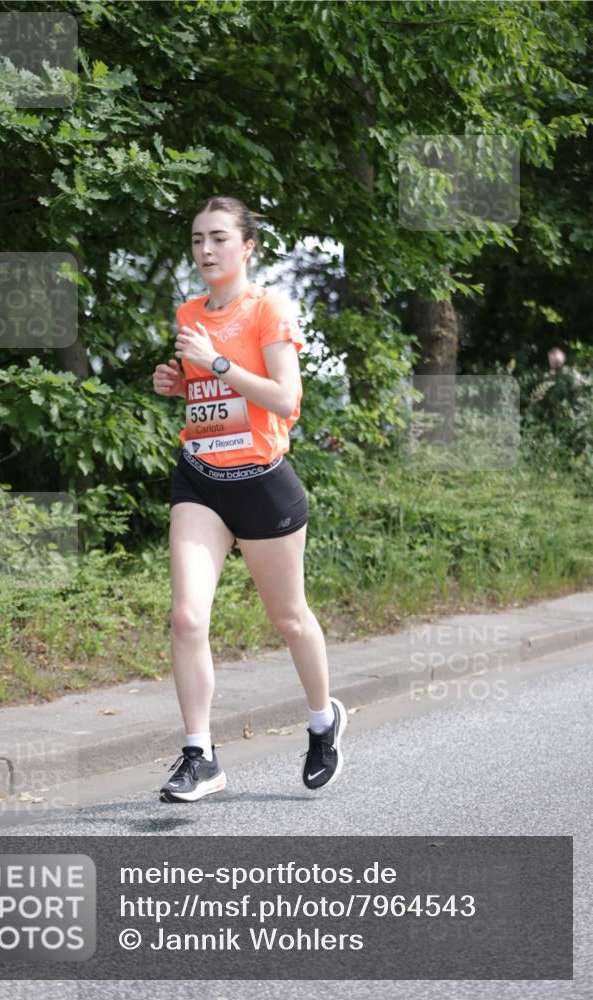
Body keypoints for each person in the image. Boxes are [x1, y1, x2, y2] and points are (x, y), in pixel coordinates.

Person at [151, 195, 347, 803]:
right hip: (201, 479)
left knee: (290, 619)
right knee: (186, 617)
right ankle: (199, 755)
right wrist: (180, 382)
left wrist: (213, 361)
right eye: (196, 240)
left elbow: (285, 400)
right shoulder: (188, 310)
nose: (205, 250)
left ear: (247, 247)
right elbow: (208, 394)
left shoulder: (268, 309)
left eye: (217, 238)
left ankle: (323, 723)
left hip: (263, 484)